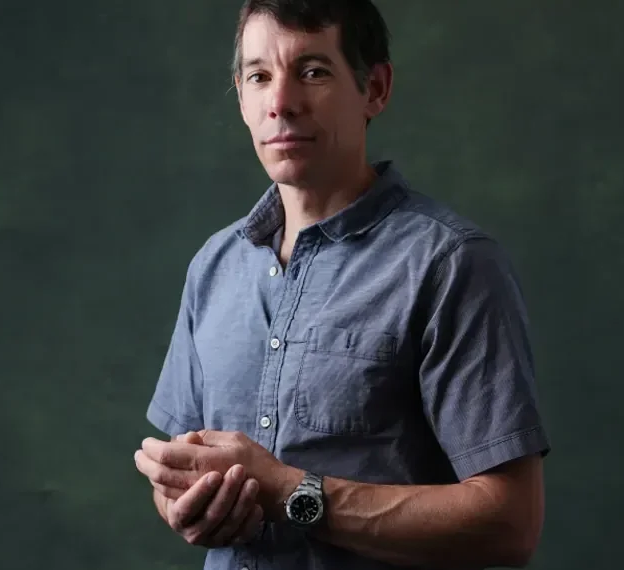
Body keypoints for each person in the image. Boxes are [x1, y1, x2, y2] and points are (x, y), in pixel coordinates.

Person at [133, 1, 551, 568]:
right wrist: (184, 502)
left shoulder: (451, 265)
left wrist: (291, 493)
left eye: (313, 71)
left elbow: (509, 525)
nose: (281, 102)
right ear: (242, 98)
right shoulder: (214, 266)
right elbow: (181, 474)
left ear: (374, 89)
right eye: (259, 77)